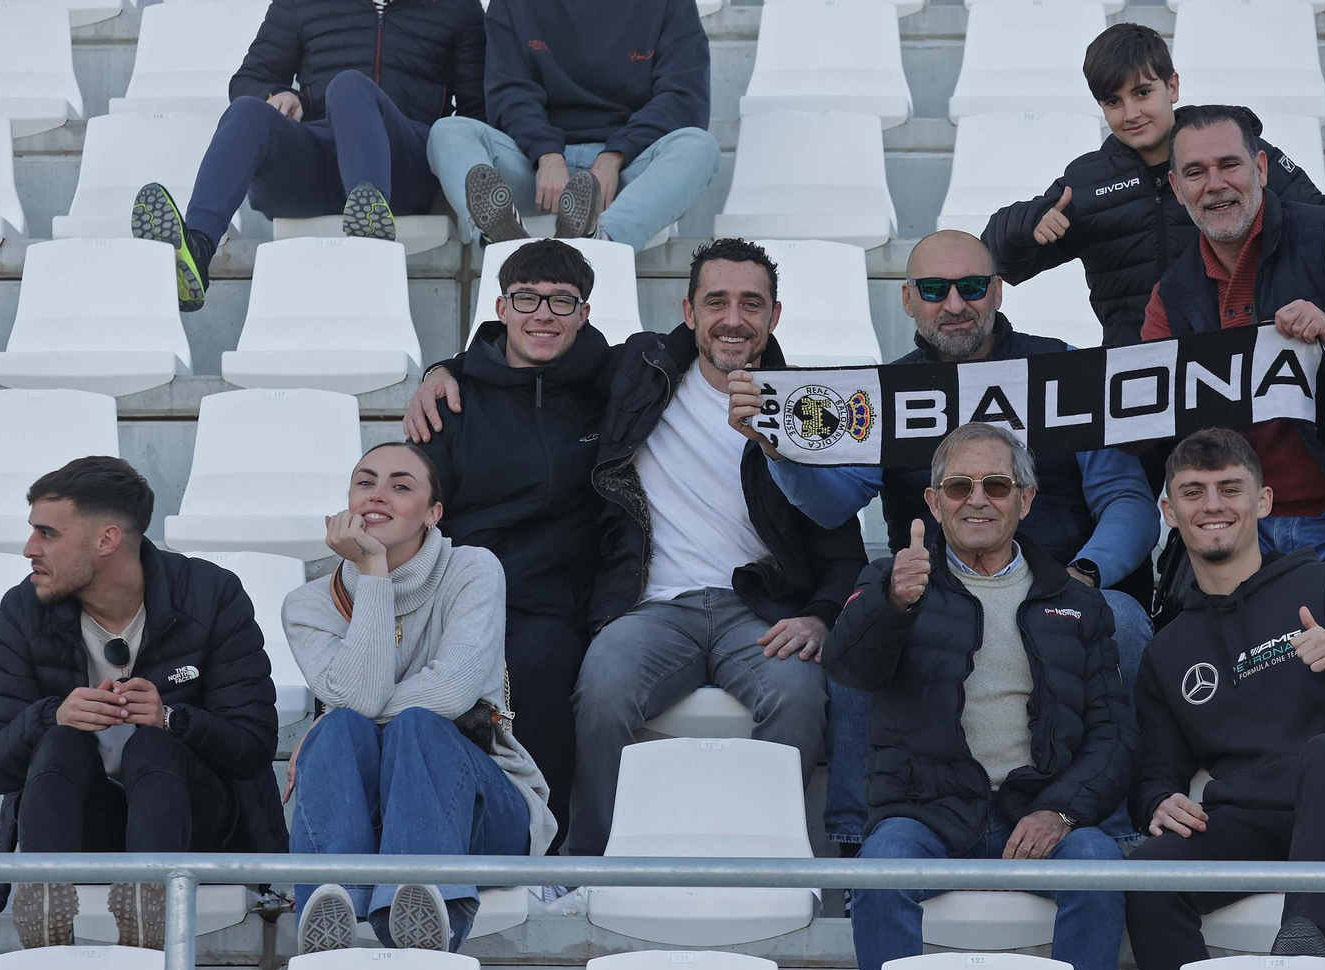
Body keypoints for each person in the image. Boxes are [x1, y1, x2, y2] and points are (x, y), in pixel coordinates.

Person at [726, 229, 1157, 849]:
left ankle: (1121, 828)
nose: (954, 304)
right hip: (934, 594)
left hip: (1065, 586)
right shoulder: (883, 391)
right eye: (934, 289)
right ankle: (856, 843)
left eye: (972, 287)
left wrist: (1086, 577)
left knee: (1124, 619)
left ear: (998, 292)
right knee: (863, 624)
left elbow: (1128, 500)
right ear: (907, 300)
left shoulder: (1062, 367)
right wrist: (779, 448)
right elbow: (831, 505)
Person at [565, 238, 868, 856]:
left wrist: (819, 615)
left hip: (758, 610)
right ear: (689, 311)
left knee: (799, 696)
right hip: (654, 606)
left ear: (774, 317)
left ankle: (769, 859)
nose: (734, 320)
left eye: (751, 305)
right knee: (602, 687)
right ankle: (586, 863)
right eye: (718, 302)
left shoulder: (807, 407)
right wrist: (446, 371)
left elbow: (843, 547)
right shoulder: (637, 374)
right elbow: (539, 355)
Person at [824, 422, 1135, 970]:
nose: (977, 499)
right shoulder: (893, 581)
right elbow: (849, 672)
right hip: (927, 814)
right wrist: (892, 605)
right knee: (878, 870)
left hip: (1038, 809)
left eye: (996, 484)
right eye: (959, 485)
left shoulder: (1078, 601)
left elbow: (1113, 734)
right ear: (933, 502)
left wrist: (1062, 812)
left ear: (1026, 498)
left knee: (1100, 865)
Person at [1126, 428, 1325, 970]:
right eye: (1193, 492)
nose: (1213, 505)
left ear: (1262, 502)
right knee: (1151, 871)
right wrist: (1157, 800)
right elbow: (1154, 772)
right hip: (1257, 822)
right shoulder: (1170, 647)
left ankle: (1300, 956)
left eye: (1229, 488)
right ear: (1168, 510)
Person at [1140, 106, 1325, 633]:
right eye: (1195, 172)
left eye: (1229, 164)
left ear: (1261, 168)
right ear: (1175, 186)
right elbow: (1146, 416)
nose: (1215, 185)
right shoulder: (1171, 293)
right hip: (1237, 531)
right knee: (1236, 702)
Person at [0, 457, 285, 950]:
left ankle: (146, 907)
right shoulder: (22, 610)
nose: (30, 549)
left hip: (196, 827)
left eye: (47, 533)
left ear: (106, 540)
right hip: (78, 825)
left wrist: (172, 718)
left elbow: (253, 746)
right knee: (61, 741)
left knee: (151, 746)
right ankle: (46, 905)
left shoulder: (211, 595)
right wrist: (53, 715)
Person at [982, 21, 1325, 348]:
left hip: (1230, 358)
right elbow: (1000, 261)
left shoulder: (1229, 146)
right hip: (1136, 369)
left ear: (1172, 86)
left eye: (1143, 93)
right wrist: (1025, 227)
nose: (1132, 112)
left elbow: (1318, 211)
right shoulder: (1087, 179)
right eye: (1113, 101)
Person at [282, 442, 556, 954]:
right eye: (365, 482)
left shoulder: (473, 570)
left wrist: (333, 716)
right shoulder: (307, 605)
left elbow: (448, 695)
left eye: (400, 486)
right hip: (372, 818)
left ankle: (429, 909)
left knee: (415, 726)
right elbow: (358, 701)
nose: (377, 495)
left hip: (483, 809)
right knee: (342, 729)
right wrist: (373, 574)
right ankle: (332, 906)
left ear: (433, 514)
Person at [400, 239, 609, 850]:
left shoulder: (609, 386)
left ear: (584, 313)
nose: (543, 314)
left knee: (540, 666)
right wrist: (447, 367)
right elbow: (418, 507)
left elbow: (676, 353)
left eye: (561, 302)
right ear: (501, 307)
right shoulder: (455, 400)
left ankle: (547, 847)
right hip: (463, 592)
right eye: (527, 299)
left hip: (553, 597)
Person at [132, 0, 485, 311]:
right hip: (317, 161)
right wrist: (278, 94)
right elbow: (251, 78)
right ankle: (196, 248)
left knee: (350, 85)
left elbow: (476, 114)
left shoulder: (458, 7)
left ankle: (372, 227)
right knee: (246, 112)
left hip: (403, 164)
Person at [427, 0, 721, 249]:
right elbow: (509, 90)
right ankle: (503, 247)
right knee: (448, 132)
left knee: (699, 147)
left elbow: (683, 96)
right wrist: (546, 155)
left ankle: (599, 243)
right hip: (534, 169)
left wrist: (614, 156)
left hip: (627, 172)